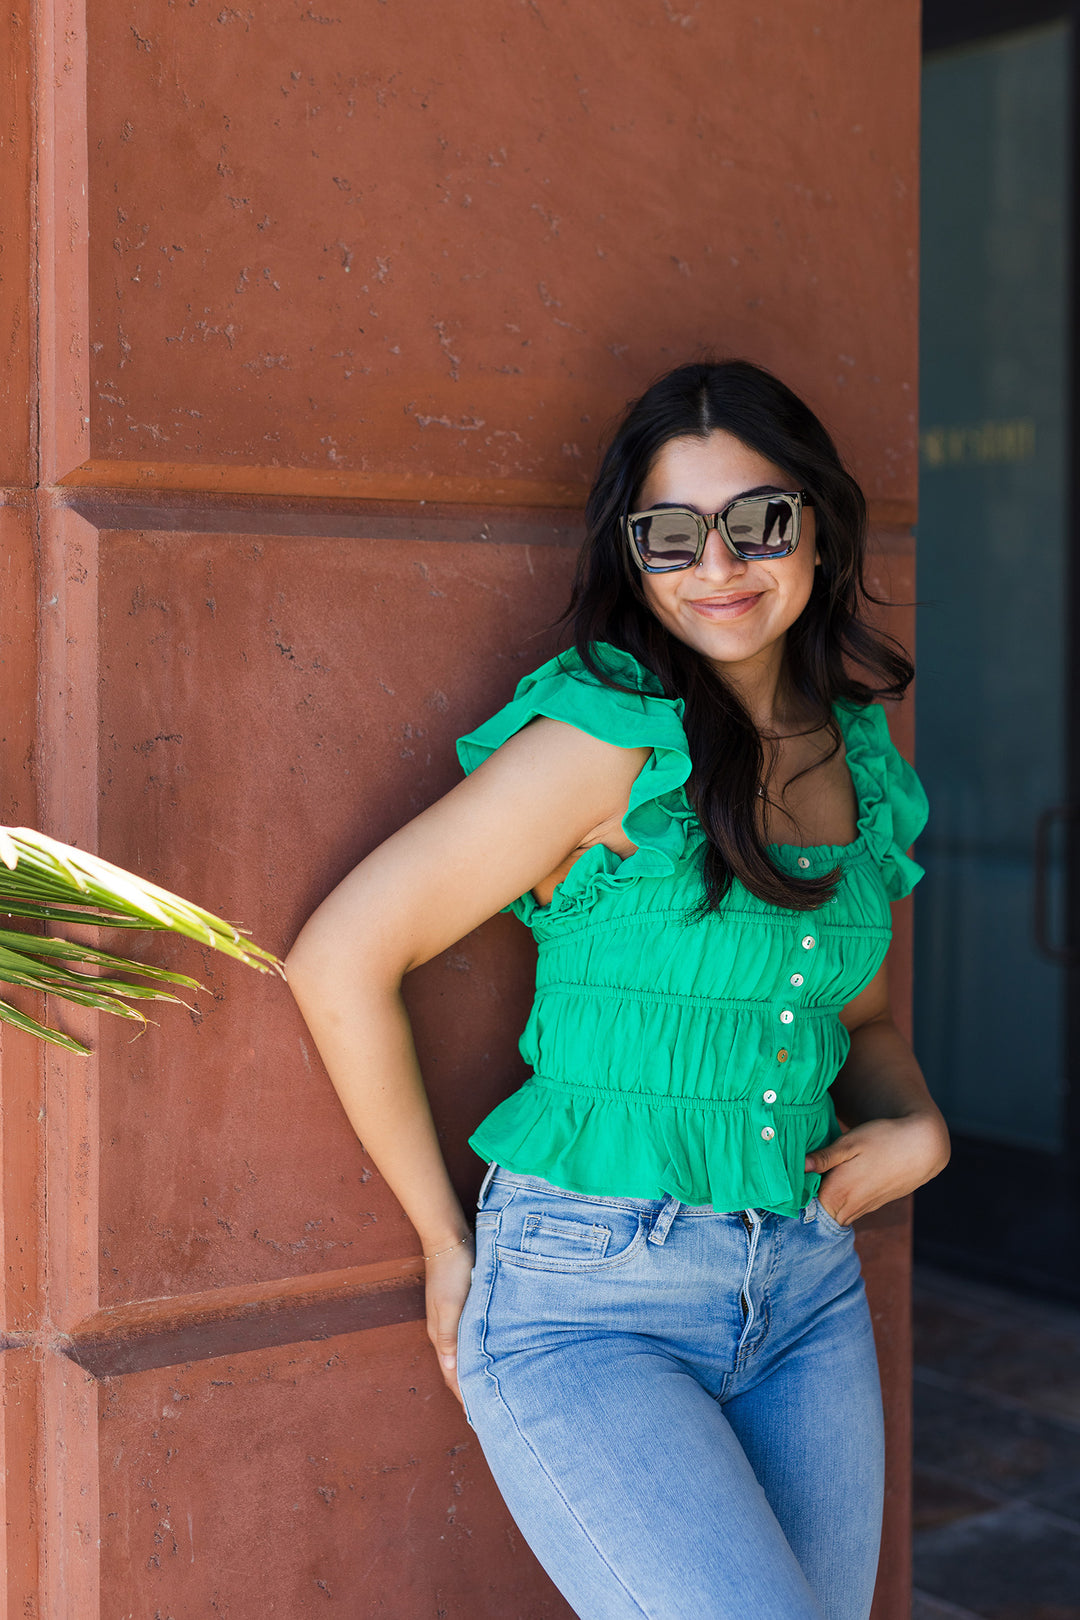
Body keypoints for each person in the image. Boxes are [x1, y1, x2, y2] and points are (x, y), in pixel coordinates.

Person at [285, 360, 951, 1620]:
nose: (719, 564)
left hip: (807, 1287)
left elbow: (850, 1017)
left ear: (818, 525)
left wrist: (916, 1125)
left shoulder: (863, 763)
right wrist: (444, 1241)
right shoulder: (607, 743)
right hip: (593, 1298)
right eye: (671, 533)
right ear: (632, 555)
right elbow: (339, 957)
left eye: (760, 518)